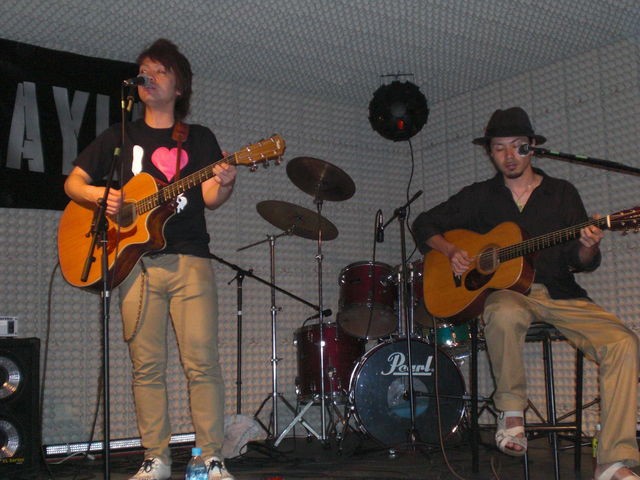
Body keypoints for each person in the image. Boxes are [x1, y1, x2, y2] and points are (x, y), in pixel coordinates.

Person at [412, 107, 639, 480]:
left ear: (532, 147)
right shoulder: (479, 196)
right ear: (490, 152)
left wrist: (589, 245)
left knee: (623, 343)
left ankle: (612, 460)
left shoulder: (561, 193)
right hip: (510, 294)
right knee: (501, 310)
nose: (508, 156)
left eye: (516, 146)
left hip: (561, 293)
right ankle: (512, 413)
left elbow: (581, 261)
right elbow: (424, 223)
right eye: (498, 148)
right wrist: (451, 251)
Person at [64, 39, 236, 480]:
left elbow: (210, 198)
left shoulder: (198, 138)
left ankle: (210, 457)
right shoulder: (119, 136)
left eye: (160, 71)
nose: (149, 77)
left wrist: (226, 180)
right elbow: (73, 184)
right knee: (146, 367)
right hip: (133, 264)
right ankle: (155, 457)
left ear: (180, 86)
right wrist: (101, 196)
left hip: (190, 259)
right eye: (145, 70)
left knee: (201, 363)